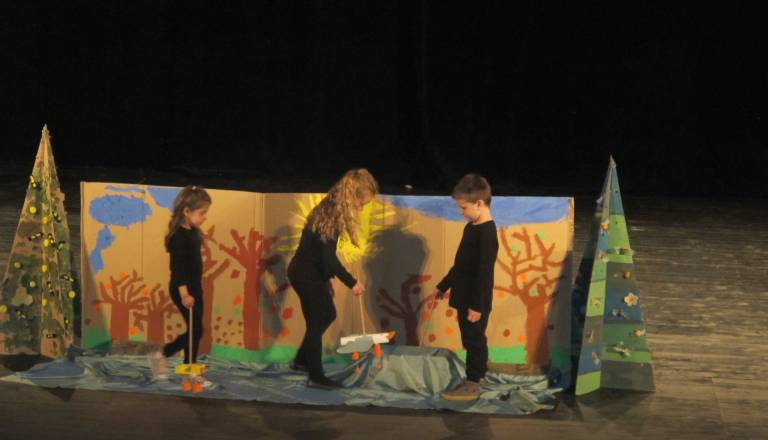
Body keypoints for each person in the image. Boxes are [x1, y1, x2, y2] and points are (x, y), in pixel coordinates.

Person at [287, 169, 377, 389]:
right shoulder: (330, 214)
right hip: (304, 273)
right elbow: (327, 256)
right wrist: (351, 282)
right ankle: (315, 376)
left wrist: (328, 278)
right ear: (351, 196)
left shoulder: (329, 209)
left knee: (326, 314)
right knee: (317, 320)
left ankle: (301, 361)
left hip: (310, 271)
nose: (360, 208)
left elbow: (320, 251)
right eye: (361, 203)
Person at [433, 174, 498, 401]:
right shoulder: (471, 228)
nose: (461, 212)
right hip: (464, 296)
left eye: (463, 208)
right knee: (469, 338)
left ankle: (474, 381)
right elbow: (461, 265)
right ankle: (476, 376)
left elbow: (484, 273)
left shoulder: (487, 233)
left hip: (475, 300)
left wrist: (477, 306)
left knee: (474, 339)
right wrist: (443, 285)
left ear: (479, 203)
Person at [150, 185, 213, 389]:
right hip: (182, 289)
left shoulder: (193, 232)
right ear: (187, 211)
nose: (204, 217)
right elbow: (177, 270)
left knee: (196, 330)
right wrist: (184, 294)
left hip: (195, 288)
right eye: (202, 213)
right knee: (196, 330)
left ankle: (183, 367)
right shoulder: (178, 237)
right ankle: (169, 358)